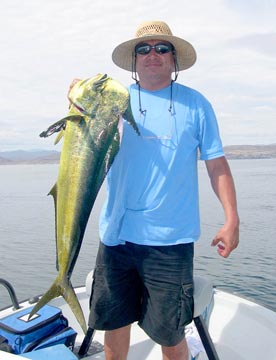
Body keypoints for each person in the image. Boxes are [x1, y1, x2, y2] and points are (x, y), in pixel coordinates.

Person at [72, 20, 239, 360]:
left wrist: (231, 219)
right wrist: (76, 96)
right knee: (114, 326)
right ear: (133, 60)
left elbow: (216, 165)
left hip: (170, 244)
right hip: (116, 238)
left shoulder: (197, 105)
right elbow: (80, 124)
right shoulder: (113, 101)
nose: (153, 54)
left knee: (169, 333)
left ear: (174, 59)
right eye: (144, 49)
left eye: (162, 48)